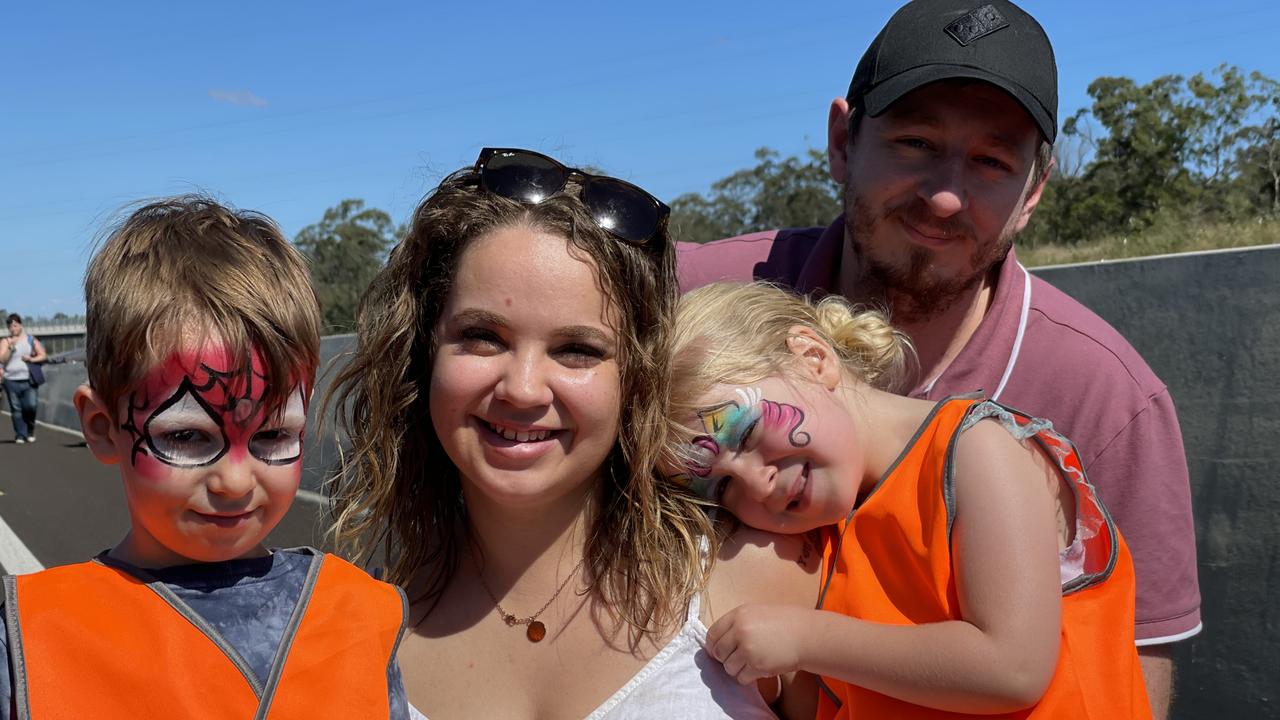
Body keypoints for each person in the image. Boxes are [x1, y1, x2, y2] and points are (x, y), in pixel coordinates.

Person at [676, 1, 1199, 712]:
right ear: (842, 140)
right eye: (916, 142)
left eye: (991, 161)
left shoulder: (1083, 407)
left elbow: (1053, 667)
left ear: (1032, 193)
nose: (946, 196)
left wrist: (805, 634)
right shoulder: (701, 307)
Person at [326, 148, 817, 719]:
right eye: (483, 336)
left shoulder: (757, 576)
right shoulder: (361, 634)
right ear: (423, 351)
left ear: (635, 374)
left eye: (578, 349)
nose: (524, 388)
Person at [1, 197, 410, 719]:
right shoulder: (32, 640)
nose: (236, 481)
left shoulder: (360, 613)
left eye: (273, 434)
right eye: (189, 438)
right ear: (103, 429)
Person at [664, 280, 1151, 718]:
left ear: (813, 359)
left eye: (746, 434)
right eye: (722, 489)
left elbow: (1013, 668)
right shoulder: (833, 526)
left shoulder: (975, 450)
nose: (757, 484)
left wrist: (801, 639)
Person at [1, 313, 47, 444]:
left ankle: (30, 429)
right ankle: (20, 435)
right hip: (11, 380)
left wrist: (31, 359)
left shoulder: (30, 339)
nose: (13, 328)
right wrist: (11, 347)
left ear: (20, 325)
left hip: (28, 380)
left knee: (31, 406)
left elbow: (43, 355)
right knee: (16, 409)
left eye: (15, 325)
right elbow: (2, 359)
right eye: (10, 326)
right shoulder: (6, 341)